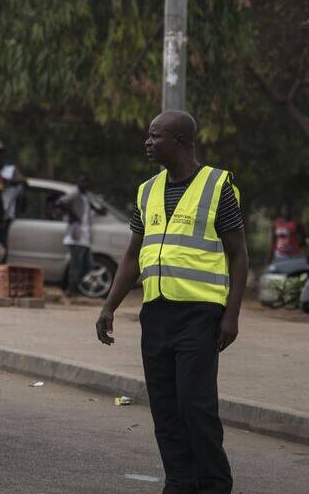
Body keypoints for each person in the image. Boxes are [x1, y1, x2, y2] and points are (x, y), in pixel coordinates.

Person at [96, 111, 247, 494]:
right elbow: (133, 255)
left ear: (180, 140)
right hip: (157, 314)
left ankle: (214, 483)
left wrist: (232, 316)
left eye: (155, 136)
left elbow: (239, 255)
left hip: (201, 314)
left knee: (195, 407)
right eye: (148, 136)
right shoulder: (147, 191)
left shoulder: (217, 186)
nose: (148, 142)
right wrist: (109, 305)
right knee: (165, 409)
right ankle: (180, 482)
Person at [57, 175, 93, 298]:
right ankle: (71, 290)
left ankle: (73, 285)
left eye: (86, 182)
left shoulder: (86, 197)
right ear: (78, 183)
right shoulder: (75, 194)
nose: (84, 184)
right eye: (82, 182)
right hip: (76, 235)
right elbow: (61, 203)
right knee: (76, 264)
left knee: (88, 265)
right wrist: (72, 216)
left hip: (85, 236)